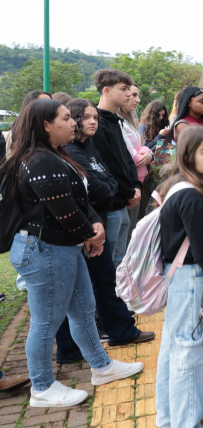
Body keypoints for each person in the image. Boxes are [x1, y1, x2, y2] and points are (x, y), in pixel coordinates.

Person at [3, 99, 144, 408]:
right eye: (66, 118)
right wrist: (91, 234)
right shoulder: (39, 160)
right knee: (46, 322)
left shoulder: (55, 155)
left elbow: (80, 199)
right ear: (46, 125)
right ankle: (42, 387)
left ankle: (101, 366)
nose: (74, 123)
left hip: (63, 247)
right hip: (44, 251)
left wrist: (94, 224)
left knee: (83, 308)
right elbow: (64, 211)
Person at [56, 99, 151, 363]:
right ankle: (77, 347)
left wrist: (110, 190)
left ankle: (117, 330)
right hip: (86, 228)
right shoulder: (71, 151)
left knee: (103, 279)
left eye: (95, 117)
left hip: (100, 217)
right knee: (83, 289)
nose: (92, 121)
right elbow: (96, 188)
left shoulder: (88, 147)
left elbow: (106, 178)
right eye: (86, 117)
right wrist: (107, 192)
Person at [154, 126, 203, 428]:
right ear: (188, 155)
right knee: (189, 350)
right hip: (192, 279)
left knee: (174, 347)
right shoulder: (193, 196)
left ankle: (169, 417)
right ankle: (186, 421)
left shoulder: (176, 186)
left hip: (178, 277)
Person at [93, 69, 142, 266]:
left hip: (123, 200)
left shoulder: (116, 121)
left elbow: (127, 160)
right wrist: (130, 191)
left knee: (120, 257)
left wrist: (136, 186)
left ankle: (117, 294)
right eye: (123, 89)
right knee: (109, 259)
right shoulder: (96, 122)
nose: (129, 94)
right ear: (107, 90)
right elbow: (109, 165)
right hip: (111, 203)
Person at [120, 83, 152, 227]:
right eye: (134, 95)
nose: (138, 100)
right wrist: (147, 154)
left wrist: (150, 154)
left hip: (138, 181)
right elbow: (132, 156)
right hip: (128, 183)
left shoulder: (129, 119)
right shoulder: (118, 122)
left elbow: (141, 146)